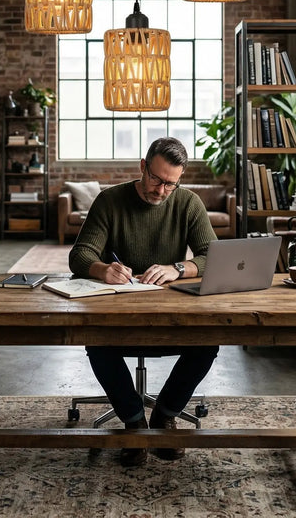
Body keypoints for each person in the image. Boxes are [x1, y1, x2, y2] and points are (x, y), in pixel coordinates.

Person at [68, 136, 218, 466]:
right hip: (120, 307)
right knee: (96, 342)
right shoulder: (109, 201)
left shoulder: (188, 203)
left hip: (172, 310)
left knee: (209, 341)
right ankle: (134, 421)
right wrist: (102, 268)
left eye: (170, 184)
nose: (161, 191)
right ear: (142, 167)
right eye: (156, 179)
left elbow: (212, 256)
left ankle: (165, 415)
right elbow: (79, 255)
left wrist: (180, 268)